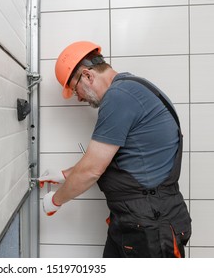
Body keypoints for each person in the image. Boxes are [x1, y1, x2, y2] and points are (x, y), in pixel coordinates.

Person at [39, 41, 191, 258]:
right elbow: (108, 158)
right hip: (138, 222)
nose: (79, 97)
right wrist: (63, 175)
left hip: (150, 227)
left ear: (88, 76)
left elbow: (91, 170)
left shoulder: (119, 97)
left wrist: (55, 201)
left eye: (75, 90)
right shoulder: (133, 89)